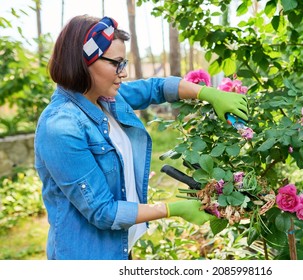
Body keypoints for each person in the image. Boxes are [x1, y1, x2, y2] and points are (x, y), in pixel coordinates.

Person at [34, 15, 248, 260]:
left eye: (123, 63)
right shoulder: (61, 126)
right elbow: (103, 212)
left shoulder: (105, 97)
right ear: (85, 61)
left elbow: (156, 88)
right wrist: (172, 209)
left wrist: (208, 94)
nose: (122, 73)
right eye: (116, 63)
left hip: (119, 250)